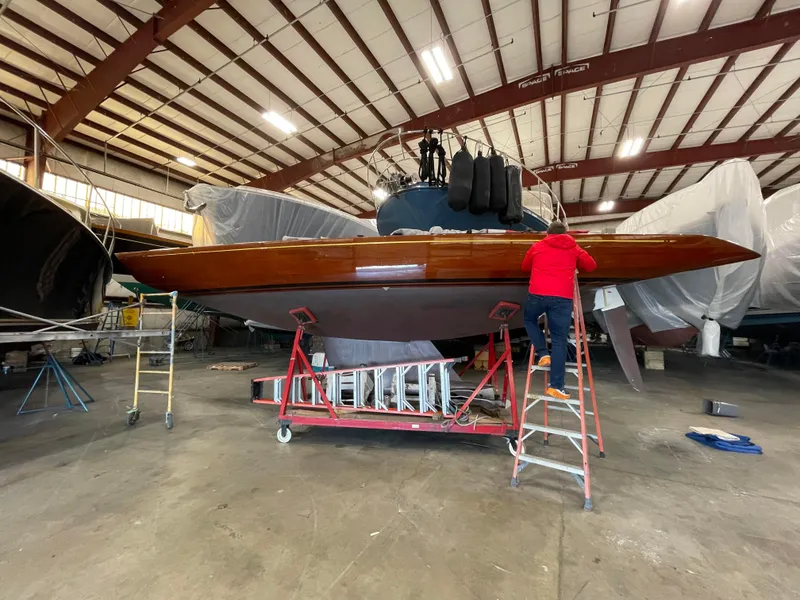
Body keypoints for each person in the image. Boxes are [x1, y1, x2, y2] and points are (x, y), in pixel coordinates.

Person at [521, 220, 597, 400]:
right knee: (559, 341)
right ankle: (556, 386)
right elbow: (591, 266)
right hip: (562, 298)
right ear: (566, 233)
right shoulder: (573, 247)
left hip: (537, 294)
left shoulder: (538, 246)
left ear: (548, 233)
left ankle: (542, 353)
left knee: (529, 320)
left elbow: (524, 267)